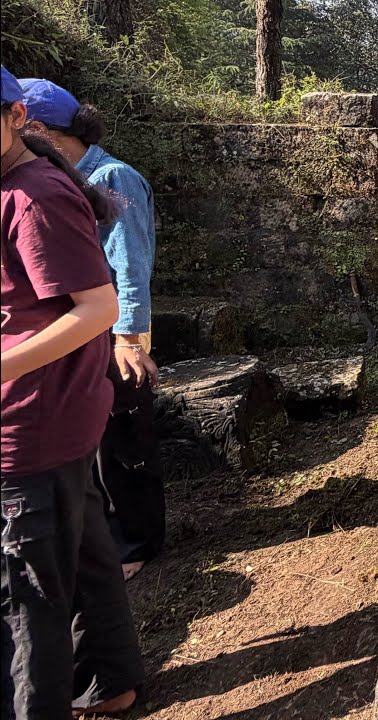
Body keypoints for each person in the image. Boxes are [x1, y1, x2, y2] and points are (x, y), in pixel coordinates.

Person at [0, 65, 144, 719]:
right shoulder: (33, 184)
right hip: (58, 411)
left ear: (19, 120)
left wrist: (132, 338)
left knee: (28, 604)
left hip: (34, 419)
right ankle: (110, 681)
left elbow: (104, 298)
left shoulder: (36, 194)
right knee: (85, 555)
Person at [19, 77, 163, 582]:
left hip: (110, 328)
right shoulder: (68, 177)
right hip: (87, 328)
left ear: (34, 128)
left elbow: (129, 261)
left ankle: (137, 541)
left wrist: (130, 337)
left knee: (125, 434)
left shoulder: (110, 176)